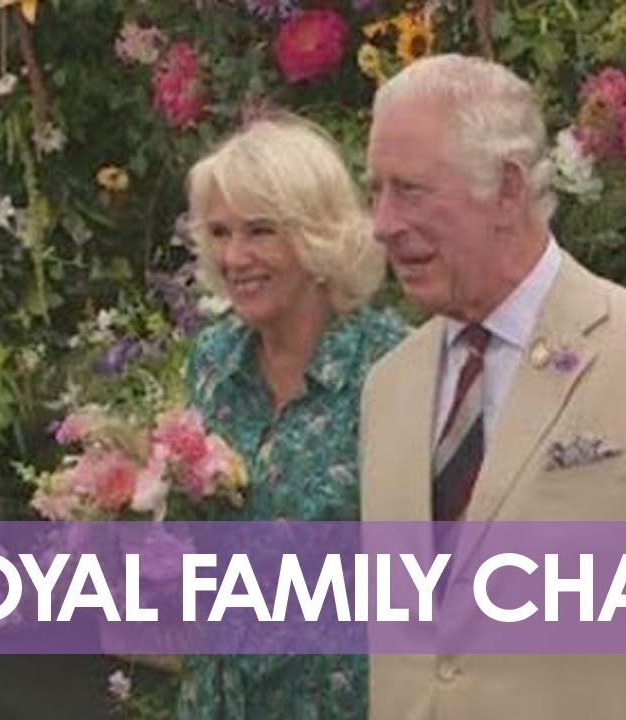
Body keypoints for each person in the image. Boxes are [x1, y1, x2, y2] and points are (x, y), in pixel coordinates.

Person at [358, 54, 626, 718]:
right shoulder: (388, 389)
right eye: (375, 191)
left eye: (410, 190)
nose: (382, 223)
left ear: (506, 190)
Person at [176, 112, 406, 719]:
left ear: (317, 235)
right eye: (220, 233)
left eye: (259, 231)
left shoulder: (391, 370)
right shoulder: (213, 360)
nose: (235, 256)